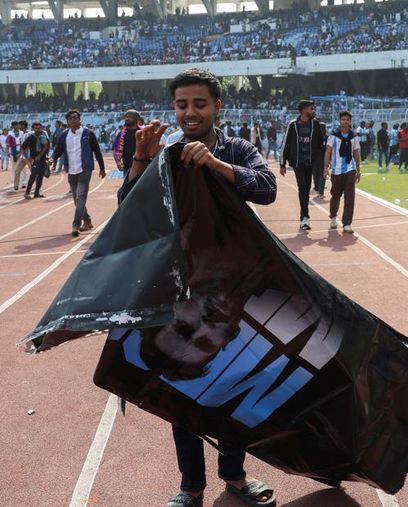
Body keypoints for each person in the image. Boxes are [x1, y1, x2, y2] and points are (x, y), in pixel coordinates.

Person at [118, 68, 277, 507]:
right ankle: (191, 488)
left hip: (231, 292)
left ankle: (236, 478)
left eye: (199, 104)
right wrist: (142, 160)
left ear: (217, 107)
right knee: (182, 389)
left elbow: (267, 189)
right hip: (181, 293)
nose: (190, 112)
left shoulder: (238, 148)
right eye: (182, 104)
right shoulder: (165, 154)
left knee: (231, 386)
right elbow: (131, 213)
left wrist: (216, 163)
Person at [51, 110, 106, 237]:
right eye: (70, 118)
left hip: (85, 169)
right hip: (71, 170)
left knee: (80, 197)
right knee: (77, 200)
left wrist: (102, 168)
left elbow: (97, 151)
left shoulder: (88, 133)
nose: (73, 120)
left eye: (76, 118)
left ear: (79, 120)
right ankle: (87, 220)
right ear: (67, 121)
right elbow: (58, 150)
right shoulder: (64, 135)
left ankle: (76, 224)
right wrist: (52, 159)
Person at [281, 99, 327, 232]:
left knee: (306, 189)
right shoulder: (293, 125)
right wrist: (282, 163)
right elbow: (286, 144)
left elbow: (321, 144)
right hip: (298, 162)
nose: (313, 111)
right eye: (311, 109)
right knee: (302, 187)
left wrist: (326, 162)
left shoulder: (316, 125)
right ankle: (304, 217)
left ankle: (304, 216)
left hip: (311, 162)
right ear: (303, 110)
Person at [324, 110, 362, 234]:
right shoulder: (333, 136)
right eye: (343, 119)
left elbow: (356, 153)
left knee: (350, 197)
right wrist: (325, 168)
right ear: (340, 121)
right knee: (335, 197)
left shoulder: (354, 137)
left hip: (350, 170)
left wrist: (358, 170)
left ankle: (347, 223)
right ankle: (333, 217)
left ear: (350, 122)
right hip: (336, 171)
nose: (345, 121)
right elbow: (328, 152)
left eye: (347, 119)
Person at [22, 122, 50, 199]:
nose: (38, 130)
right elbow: (23, 147)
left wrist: (44, 156)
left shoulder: (44, 136)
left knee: (41, 176)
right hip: (35, 160)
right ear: (33, 129)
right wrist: (28, 157)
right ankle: (27, 192)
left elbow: (46, 146)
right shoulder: (31, 137)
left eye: (39, 128)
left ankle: (36, 193)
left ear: (41, 128)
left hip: (43, 159)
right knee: (33, 176)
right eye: (36, 128)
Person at [113, 109, 142, 179]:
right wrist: (118, 162)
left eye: (130, 117)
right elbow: (115, 151)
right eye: (126, 117)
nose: (127, 119)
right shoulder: (121, 134)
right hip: (127, 167)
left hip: (142, 167)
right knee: (128, 188)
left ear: (136, 120)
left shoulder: (143, 133)